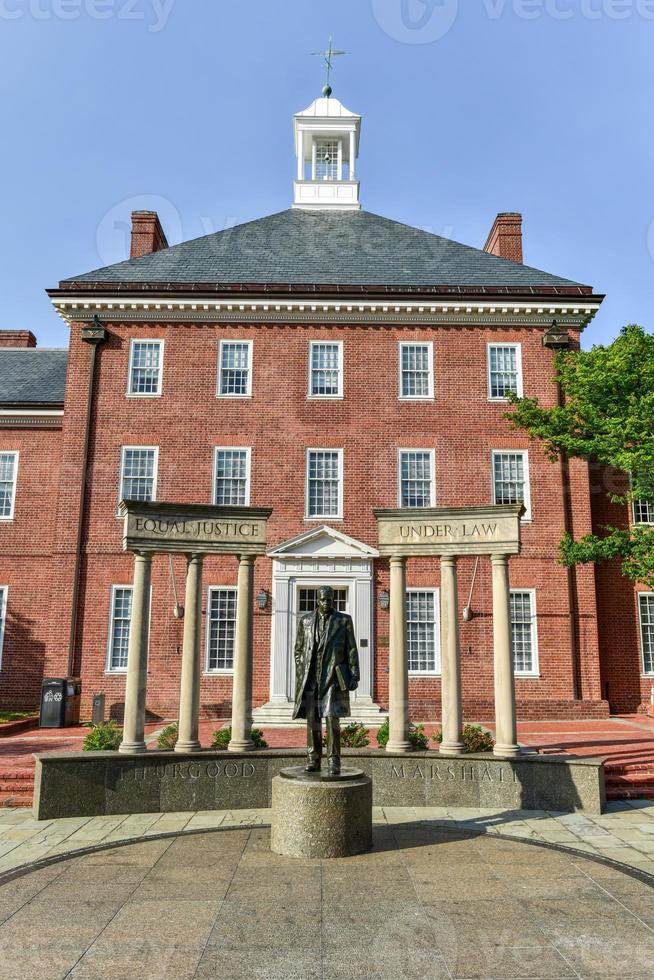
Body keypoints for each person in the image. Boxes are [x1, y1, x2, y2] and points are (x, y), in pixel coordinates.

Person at [292, 585, 360, 775]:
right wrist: (301, 670)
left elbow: (352, 649)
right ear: (317, 600)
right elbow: (298, 649)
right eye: (323, 600)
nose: (326, 603)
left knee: (332, 719)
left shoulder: (343, 620)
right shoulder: (305, 621)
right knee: (312, 720)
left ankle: (333, 760)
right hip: (311, 677)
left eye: (329, 600)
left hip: (333, 677)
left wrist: (354, 674)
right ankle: (313, 758)